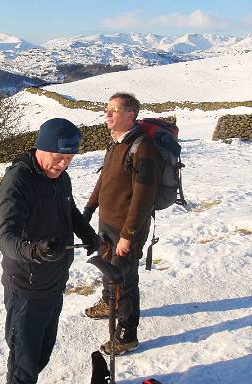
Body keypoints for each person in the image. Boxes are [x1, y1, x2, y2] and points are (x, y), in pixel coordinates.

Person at [0, 118, 100, 384]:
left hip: (55, 280)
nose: (63, 164)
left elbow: (70, 211)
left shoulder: (61, 178)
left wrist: (88, 234)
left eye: (69, 158)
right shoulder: (18, 181)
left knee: (42, 353)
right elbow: (6, 238)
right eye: (58, 157)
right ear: (41, 148)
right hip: (27, 287)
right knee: (24, 362)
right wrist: (35, 251)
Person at [83, 93, 158, 355]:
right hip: (108, 223)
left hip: (127, 228)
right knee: (108, 270)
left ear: (130, 115)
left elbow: (143, 197)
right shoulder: (115, 143)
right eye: (106, 110)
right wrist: (89, 209)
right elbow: (104, 179)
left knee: (124, 280)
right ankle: (107, 303)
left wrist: (128, 235)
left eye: (113, 110)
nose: (108, 115)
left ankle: (127, 334)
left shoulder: (142, 147)